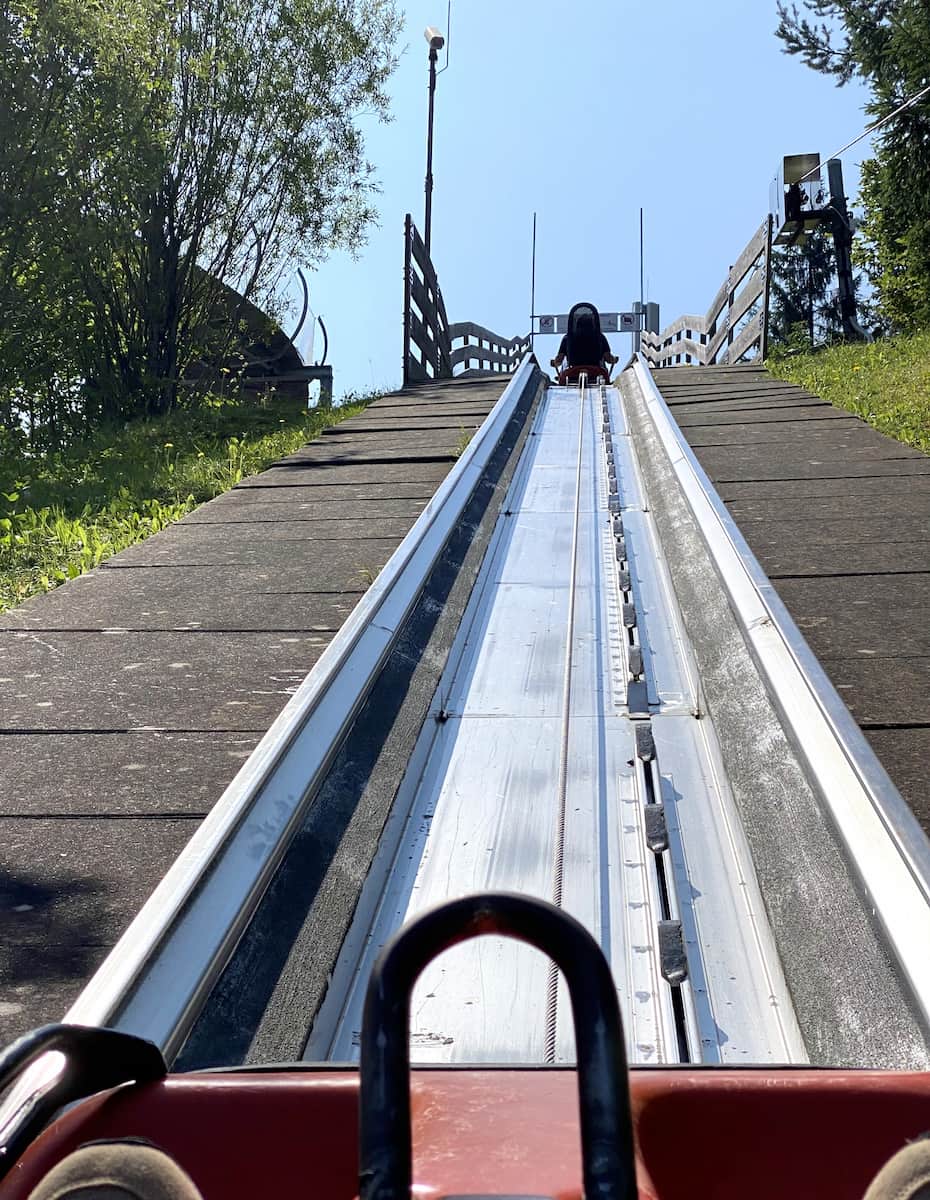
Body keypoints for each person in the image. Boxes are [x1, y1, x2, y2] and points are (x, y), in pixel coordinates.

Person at [550, 302, 618, 382]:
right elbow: (608, 358)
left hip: (572, 372)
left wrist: (554, 362)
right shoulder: (600, 337)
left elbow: (559, 360)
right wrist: (614, 359)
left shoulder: (567, 338)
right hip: (597, 372)